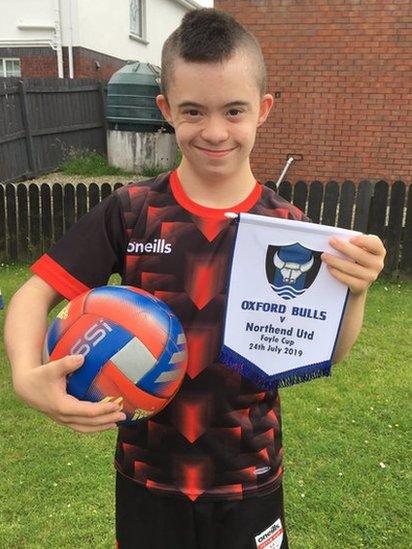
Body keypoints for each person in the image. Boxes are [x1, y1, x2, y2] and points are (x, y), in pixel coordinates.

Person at [4, 8, 386, 549]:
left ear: (264, 109)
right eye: (192, 110)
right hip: (147, 475)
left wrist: (356, 292)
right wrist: (25, 375)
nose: (214, 131)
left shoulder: (290, 231)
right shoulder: (132, 211)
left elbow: (329, 352)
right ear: (165, 109)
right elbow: (34, 293)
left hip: (248, 475)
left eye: (234, 111)